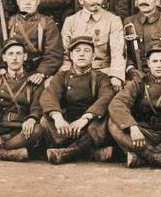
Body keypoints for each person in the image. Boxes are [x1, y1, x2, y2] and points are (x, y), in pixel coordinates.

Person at [41, 36, 115, 164]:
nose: (81, 54)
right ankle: (91, 153)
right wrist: (58, 118)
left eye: (86, 51)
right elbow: (49, 95)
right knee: (44, 121)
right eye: (77, 50)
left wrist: (85, 118)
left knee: (104, 121)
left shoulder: (100, 77)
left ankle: (68, 153)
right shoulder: (62, 76)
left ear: (93, 56)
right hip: (67, 124)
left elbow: (106, 97)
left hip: (88, 124)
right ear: (71, 55)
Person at [60, 0, 126, 90]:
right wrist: (66, 75)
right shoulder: (70, 21)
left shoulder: (113, 20)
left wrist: (116, 75)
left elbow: (118, 51)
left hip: (103, 71)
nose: (96, 1)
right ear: (81, 0)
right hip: (76, 72)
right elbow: (65, 54)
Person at [6, 0, 64, 81]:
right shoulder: (9, 22)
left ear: (38, 2)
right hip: (12, 71)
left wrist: (41, 73)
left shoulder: (47, 23)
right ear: (17, 2)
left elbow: (54, 54)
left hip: (37, 70)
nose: (27, 2)